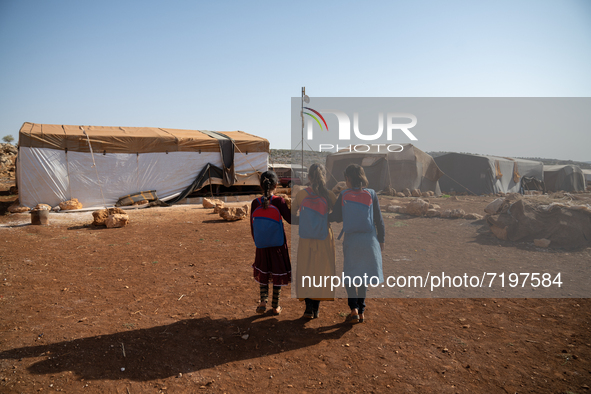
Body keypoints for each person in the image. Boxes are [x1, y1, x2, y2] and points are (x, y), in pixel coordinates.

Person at [329, 164, 384, 323]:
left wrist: (324, 216)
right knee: (363, 276)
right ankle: (361, 310)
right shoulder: (371, 194)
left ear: (348, 178)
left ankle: (353, 308)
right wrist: (382, 240)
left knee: (351, 275)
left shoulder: (344, 194)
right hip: (369, 241)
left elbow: (337, 217)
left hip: (352, 240)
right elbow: (379, 220)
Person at [292, 163, 337, 319]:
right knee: (320, 272)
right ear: (323, 176)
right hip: (324, 237)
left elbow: (292, 216)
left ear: (309, 177)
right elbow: (338, 215)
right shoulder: (329, 195)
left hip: (306, 239)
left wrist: (305, 220)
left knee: (306, 270)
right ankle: (316, 308)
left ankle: (308, 308)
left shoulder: (301, 194)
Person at [250, 171, 291, 315]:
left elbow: (252, 226)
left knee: (264, 270)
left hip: (262, 245)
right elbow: (291, 219)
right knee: (277, 271)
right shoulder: (279, 201)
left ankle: (262, 301)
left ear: (261, 185)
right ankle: (275, 305)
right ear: (276, 184)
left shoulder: (255, 203)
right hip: (277, 244)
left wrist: (259, 241)